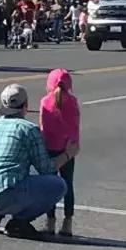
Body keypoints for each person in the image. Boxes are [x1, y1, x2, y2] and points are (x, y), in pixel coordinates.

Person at [0, 83, 76, 239]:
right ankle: (19, 222)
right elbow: (47, 168)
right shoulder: (29, 129)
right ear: (26, 105)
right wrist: (68, 154)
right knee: (58, 185)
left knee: (1, 176)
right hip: (4, 191)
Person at [39, 68, 81, 236]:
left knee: (50, 186)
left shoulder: (45, 101)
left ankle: (50, 222)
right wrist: (74, 145)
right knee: (68, 185)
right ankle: (67, 223)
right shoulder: (72, 101)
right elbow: (75, 126)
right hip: (67, 150)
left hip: (50, 148)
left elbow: (43, 127)